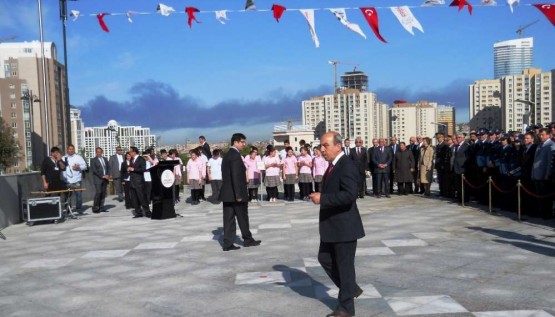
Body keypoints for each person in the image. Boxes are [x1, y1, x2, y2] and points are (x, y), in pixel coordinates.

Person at [309, 131, 365, 317]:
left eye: (325, 145)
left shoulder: (346, 165)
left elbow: (350, 195)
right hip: (332, 226)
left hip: (344, 227)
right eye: (320, 145)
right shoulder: (333, 165)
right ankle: (350, 289)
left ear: (338, 145)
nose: (322, 149)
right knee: (324, 258)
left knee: (344, 267)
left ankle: (346, 309)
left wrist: (323, 198)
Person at [219, 133, 261, 251]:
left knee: (228, 220)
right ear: (235, 142)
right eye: (242, 142)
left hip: (227, 194)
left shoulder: (227, 155)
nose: (244, 144)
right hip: (236, 194)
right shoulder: (236, 156)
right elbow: (236, 176)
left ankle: (227, 243)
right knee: (242, 217)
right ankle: (248, 240)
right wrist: (238, 195)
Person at [531, 128, 554, 219]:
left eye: (543, 135)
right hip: (537, 174)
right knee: (539, 195)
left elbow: (549, 162)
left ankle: (547, 213)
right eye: (540, 135)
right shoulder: (540, 145)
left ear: (548, 135)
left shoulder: (551, 145)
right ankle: (541, 212)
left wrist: (547, 174)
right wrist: (533, 173)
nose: (540, 137)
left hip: (544, 175)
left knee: (546, 197)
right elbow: (535, 161)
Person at [62, 144, 87, 213]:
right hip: (67, 180)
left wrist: (78, 167)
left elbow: (85, 166)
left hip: (77, 179)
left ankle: (79, 209)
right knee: (67, 196)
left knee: (78, 195)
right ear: (67, 150)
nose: (71, 150)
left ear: (74, 149)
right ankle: (67, 209)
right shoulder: (63, 158)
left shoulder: (78, 157)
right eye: (69, 149)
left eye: (72, 149)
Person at [128, 146, 151, 218]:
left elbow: (143, 169)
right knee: (134, 199)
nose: (129, 153)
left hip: (139, 182)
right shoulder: (132, 159)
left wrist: (133, 169)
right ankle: (138, 212)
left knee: (142, 198)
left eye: (130, 151)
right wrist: (129, 169)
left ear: (134, 152)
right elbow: (131, 168)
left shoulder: (141, 159)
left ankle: (147, 212)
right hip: (132, 181)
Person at [91, 147, 110, 213]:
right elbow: (94, 170)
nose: (99, 153)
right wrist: (102, 176)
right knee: (98, 193)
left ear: (102, 152)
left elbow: (108, 167)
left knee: (103, 193)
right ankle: (95, 208)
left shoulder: (105, 159)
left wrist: (108, 175)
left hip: (105, 179)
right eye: (98, 152)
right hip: (98, 179)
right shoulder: (93, 160)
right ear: (96, 152)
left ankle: (101, 207)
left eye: (100, 152)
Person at [453, 133, 470, 204]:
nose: (458, 139)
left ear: (463, 138)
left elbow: (468, 157)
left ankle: (465, 199)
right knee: (458, 185)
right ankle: (460, 198)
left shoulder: (466, 146)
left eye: (459, 137)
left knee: (464, 185)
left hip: (463, 168)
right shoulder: (457, 146)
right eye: (457, 137)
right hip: (457, 168)